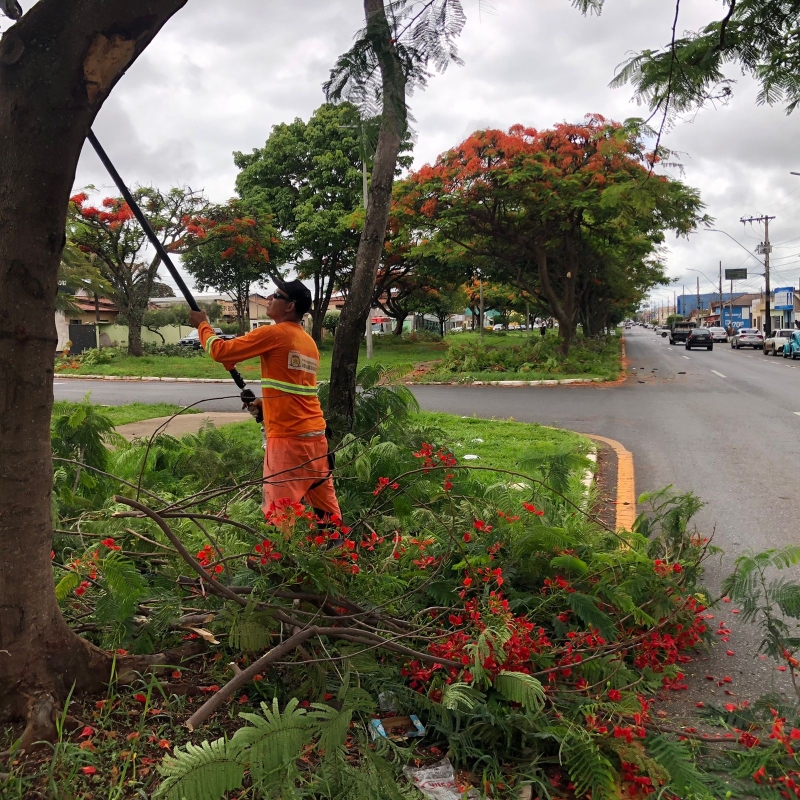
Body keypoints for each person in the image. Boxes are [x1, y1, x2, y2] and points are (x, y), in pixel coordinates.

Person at [189, 279, 340, 523]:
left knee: (279, 516)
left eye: (275, 295)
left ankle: (277, 560)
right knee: (327, 514)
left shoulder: (276, 333)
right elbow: (296, 392)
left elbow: (221, 352)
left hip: (288, 441)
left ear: (290, 306)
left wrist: (202, 325)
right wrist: (266, 405)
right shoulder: (308, 343)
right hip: (316, 439)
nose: (269, 298)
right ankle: (339, 554)